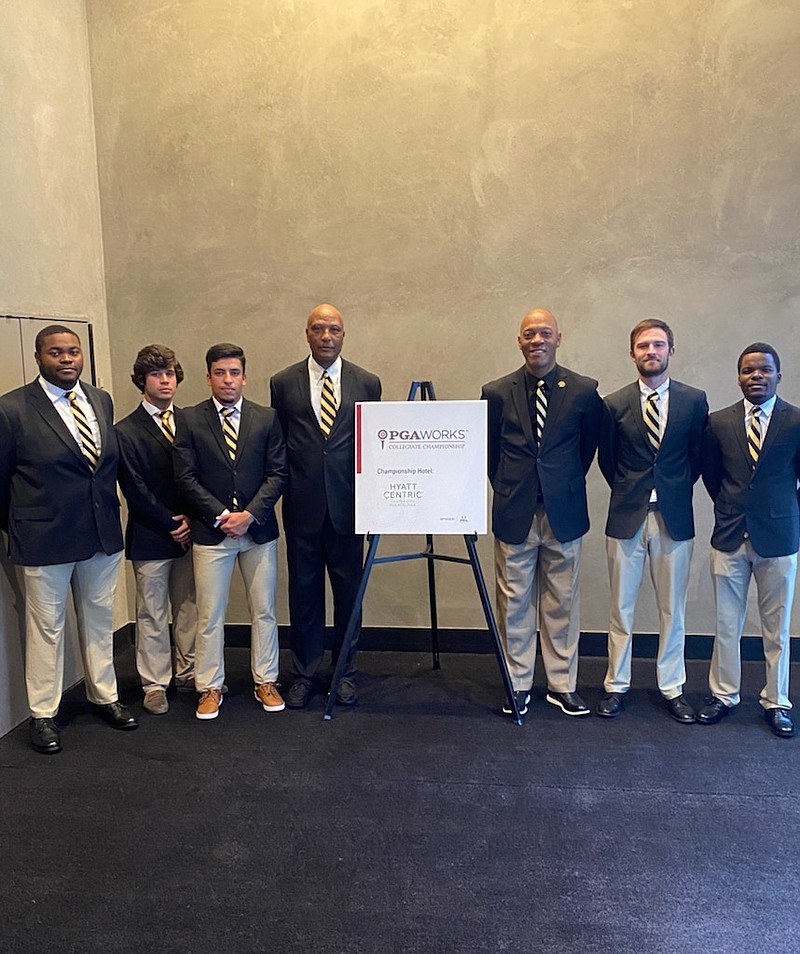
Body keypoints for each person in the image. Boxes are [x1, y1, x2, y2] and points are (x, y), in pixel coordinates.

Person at [0, 325, 137, 754]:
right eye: (56, 352)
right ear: (39, 357)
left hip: (99, 533)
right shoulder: (12, 409)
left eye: (73, 352)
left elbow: (104, 466)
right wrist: (21, 524)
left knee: (98, 621)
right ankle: (43, 714)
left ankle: (104, 696)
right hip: (44, 538)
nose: (66, 359)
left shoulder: (100, 399)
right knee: (46, 629)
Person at [481, 307, 602, 718]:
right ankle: (517, 684)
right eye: (529, 334)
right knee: (513, 600)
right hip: (515, 511)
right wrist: (512, 487)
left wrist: (559, 484)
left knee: (562, 600)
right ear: (519, 341)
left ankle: (561, 684)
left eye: (544, 333)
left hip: (563, 512)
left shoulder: (584, 390)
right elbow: (489, 452)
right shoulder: (496, 391)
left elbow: (587, 448)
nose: (537, 340)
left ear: (558, 338)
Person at [270, 304, 382, 708]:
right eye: (319, 328)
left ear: (343, 334)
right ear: (306, 334)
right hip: (302, 507)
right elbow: (279, 446)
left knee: (350, 592)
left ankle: (345, 671)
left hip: (350, 508)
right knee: (303, 593)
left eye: (334, 329)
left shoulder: (367, 383)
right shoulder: (283, 383)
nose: (326, 336)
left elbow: (372, 448)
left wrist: (373, 504)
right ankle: (303, 672)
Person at [596, 319, 708, 722]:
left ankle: (672, 686)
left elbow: (697, 457)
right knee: (620, 608)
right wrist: (634, 491)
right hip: (627, 515)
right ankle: (615, 684)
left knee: (672, 609)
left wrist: (671, 489)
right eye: (643, 345)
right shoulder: (613, 404)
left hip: (673, 518)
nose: (651, 351)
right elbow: (608, 461)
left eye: (658, 345)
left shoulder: (695, 401)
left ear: (671, 351)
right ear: (632, 354)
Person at [173, 343, 287, 721]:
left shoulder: (266, 418)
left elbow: (277, 474)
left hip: (258, 533)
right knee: (210, 614)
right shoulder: (189, 419)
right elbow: (185, 478)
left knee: (265, 610)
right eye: (219, 373)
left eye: (234, 372)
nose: (227, 380)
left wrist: (250, 514)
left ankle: (266, 680)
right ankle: (208, 686)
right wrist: (223, 515)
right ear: (208, 377)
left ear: (244, 376)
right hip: (212, 533)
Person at [697, 342, 800, 738]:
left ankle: (777, 701)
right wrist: (730, 508)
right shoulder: (719, 422)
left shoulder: (795, 421)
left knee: (777, 628)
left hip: (779, 536)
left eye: (763, 371)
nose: (756, 376)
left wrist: (785, 511)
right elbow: (711, 474)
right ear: (738, 376)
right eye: (748, 371)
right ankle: (724, 695)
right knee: (726, 623)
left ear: (778, 375)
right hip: (730, 534)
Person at [116, 344, 197, 715]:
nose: (164, 381)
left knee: (189, 605)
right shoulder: (126, 431)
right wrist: (170, 523)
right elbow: (134, 488)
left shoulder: (193, 421)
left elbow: (201, 477)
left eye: (169, 374)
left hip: (192, 530)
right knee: (150, 611)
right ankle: (154, 683)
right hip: (151, 533)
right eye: (156, 375)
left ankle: (190, 670)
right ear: (141, 380)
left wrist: (190, 521)